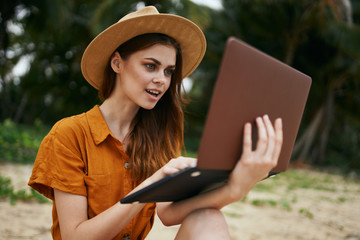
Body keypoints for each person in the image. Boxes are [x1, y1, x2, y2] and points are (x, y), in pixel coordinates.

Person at [28, 5, 283, 240]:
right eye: (151, 66)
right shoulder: (69, 134)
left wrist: (237, 187)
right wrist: (150, 186)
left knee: (208, 218)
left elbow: (168, 213)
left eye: (169, 71)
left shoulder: (157, 136)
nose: (162, 79)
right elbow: (76, 237)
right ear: (117, 63)